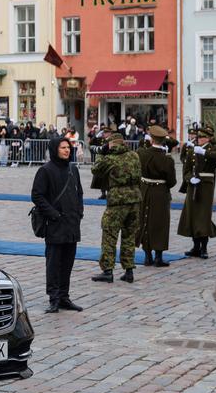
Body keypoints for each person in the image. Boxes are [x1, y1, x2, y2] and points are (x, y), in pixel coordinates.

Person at [31, 136, 84, 313]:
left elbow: (79, 193)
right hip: (55, 224)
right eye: (63, 147)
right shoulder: (45, 170)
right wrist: (53, 214)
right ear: (55, 149)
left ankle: (64, 297)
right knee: (54, 263)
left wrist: (79, 213)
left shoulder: (72, 169)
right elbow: (37, 196)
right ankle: (53, 298)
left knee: (68, 262)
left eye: (68, 147)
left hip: (71, 224)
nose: (67, 150)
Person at [91, 134, 142, 284]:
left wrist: (101, 153)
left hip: (117, 201)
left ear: (111, 145)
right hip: (135, 199)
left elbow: (96, 169)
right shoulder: (134, 156)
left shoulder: (109, 159)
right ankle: (129, 270)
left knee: (109, 234)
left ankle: (107, 270)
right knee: (129, 235)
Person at [178, 125, 216, 259]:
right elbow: (186, 170)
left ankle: (204, 248)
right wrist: (189, 179)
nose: (199, 139)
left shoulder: (212, 149)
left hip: (206, 185)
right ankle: (195, 246)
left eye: (202, 137)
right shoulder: (192, 150)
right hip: (193, 184)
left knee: (203, 216)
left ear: (208, 138)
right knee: (192, 215)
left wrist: (204, 153)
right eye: (198, 137)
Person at [137, 125, 177, 267]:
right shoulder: (167, 160)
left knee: (145, 220)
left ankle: (147, 256)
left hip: (145, 189)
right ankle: (158, 257)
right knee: (160, 223)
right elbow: (172, 182)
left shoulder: (142, 153)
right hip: (160, 192)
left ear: (151, 139)